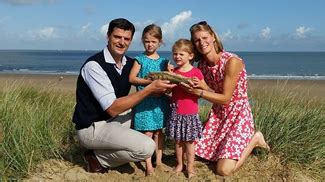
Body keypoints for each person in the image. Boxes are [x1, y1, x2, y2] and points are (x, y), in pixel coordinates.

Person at [72, 18, 176, 173]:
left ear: (131, 40)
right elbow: (113, 108)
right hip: (92, 127)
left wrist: (170, 73)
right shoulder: (94, 66)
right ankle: (97, 158)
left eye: (126, 38)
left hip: (115, 120)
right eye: (117, 37)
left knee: (146, 115)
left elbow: (154, 77)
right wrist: (149, 89)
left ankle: (115, 148)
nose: (122, 42)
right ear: (108, 36)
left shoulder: (129, 63)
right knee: (147, 147)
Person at [181, 21, 270, 176]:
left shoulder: (232, 61)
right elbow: (212, 91)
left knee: (223, 170)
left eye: (204, 38)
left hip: (238, 115)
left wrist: (199, 92)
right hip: (218, 116)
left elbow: (226, 98)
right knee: (185, 155)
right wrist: (172, 73)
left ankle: (255, 139)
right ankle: (221, 150)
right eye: (197, 40)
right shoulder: (202, 65)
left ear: (213, 37)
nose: (202, 43)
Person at [128, 24, 170, 176]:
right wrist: (150, 84)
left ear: (160, 42)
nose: (150, 44)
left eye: (153, 41)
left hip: (160, 102)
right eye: (146, 41)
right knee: (148, 133)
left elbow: (168, 80)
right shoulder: (139, 59)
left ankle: (158, 161)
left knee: (159, 132)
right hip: (145, 101)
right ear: (142, 41)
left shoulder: (164, 61)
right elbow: (132, 78)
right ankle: (148, 165)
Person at [166, 39, 204, 178]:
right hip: (176, 111)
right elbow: (167, 89)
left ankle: (190, 166)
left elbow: (201, 91)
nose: (177, 57)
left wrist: (196, 85)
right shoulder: (174, 71)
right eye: (175, 54)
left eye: (181, 54)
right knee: (178, 141)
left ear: (191, 56)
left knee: (189, 142)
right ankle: (180, 164)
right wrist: (169, 74)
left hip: (190, 113)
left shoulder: (196, 72)